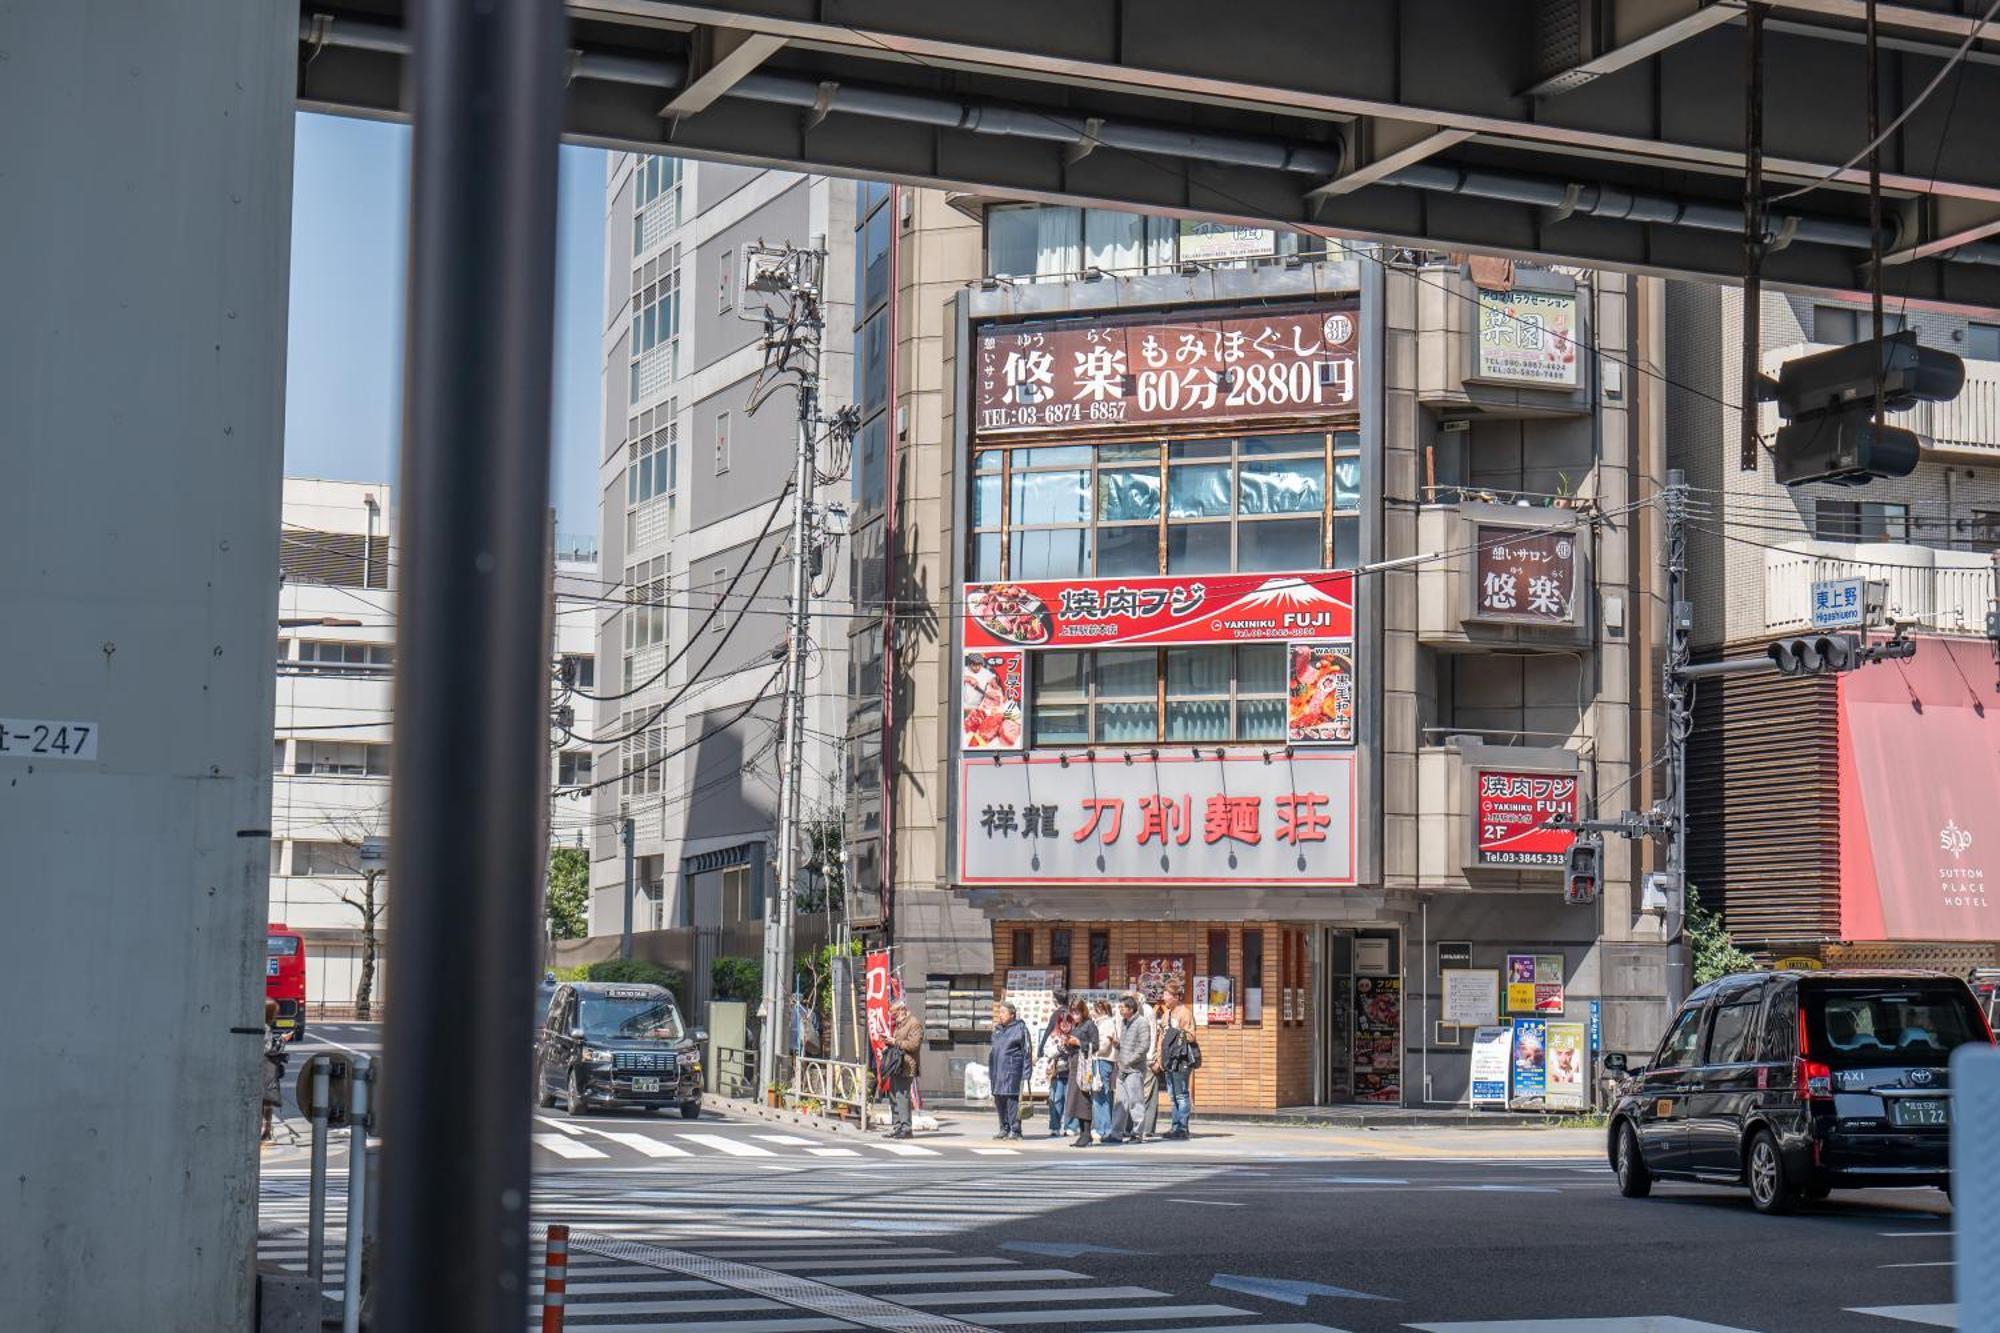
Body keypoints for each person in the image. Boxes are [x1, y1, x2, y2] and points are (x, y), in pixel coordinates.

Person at [986, 1000, 1031, 1140]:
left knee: (1012, 1101)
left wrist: (1027, 1072)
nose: (1000, 1015)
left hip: (1012, 1071)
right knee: (999, 1100)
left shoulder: (1020, 1028)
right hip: (997, 1071)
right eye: (999, 1012)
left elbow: (1027, 1051)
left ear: (1012, 1014)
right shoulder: (997, 1030)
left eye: (1003, 1012)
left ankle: (1015, 1130)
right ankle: (1004, 1128)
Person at [1113, 994, 1154, 1145]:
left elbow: (1144, 1046)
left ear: (1131, 1009)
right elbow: (1125, 1045)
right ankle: (1116, 1133)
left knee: (1135, 1102)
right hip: (1122, 1068)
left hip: (1134, 1069)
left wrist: (1129, 1060)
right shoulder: (1125, 1022)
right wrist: (1117, 1045)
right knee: (1120, 1102)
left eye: (1122, 1008)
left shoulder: (1141, 1023)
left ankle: (1137, 1133)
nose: (1120, 1010)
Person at [1159, 984, 1197, 1140]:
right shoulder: (1166, 1014)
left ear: (1176, 996)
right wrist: (1159, 1056)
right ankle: (1174, 1126)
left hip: (1180, 1058)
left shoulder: (1185, 1013)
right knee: (1172, 1095)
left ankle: (1182, 1127)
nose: (1164, 998)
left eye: (1167, 994)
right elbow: (1161, 1035)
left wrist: (1175, 1032)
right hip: (1168, 1057)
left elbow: (1191, 1036)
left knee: (1181, 1094)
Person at [1061, 997, 1099, 1147]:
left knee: (1084, 1099)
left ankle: (1087, 1133)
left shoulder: (1090, 1025)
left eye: (1077, 1012)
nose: (1075, 1016)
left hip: (1085, 1066)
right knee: (1075, 1099)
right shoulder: (1076, 1027)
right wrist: (1067, 1043)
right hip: (1075, 1064)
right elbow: (1072, 1047)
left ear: (1083, 1011)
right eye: (1073, 1013)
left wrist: (1079, 1043)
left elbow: (1095, 1045)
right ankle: (1082, 1132)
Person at [1037, 998, 1075, 1137]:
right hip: (1057, 1071)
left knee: (1070, 1099)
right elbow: (1048, 1051)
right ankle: (1055, 1126)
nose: (1065, 1025)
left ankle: (1070, 1126)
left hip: (1072, 1071)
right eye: (1062, 1023)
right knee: (1056, 1099)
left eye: (1068, 1022)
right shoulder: (1054, 1035)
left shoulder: (1075, 1035)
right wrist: (1061, 1048)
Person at [886, 999, 923, 1139]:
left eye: (894, 1014)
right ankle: (897, 1127)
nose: (893, 1017)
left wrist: (896, 1042)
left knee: (902, 1096)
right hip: (897, 1064)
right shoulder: (900, 1024)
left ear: (902, 1010)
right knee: (893, 1096)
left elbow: (914, 1045)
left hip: (907, 1065)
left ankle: (906, 1128)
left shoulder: (914, 1023)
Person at [1089, 998, 1118, 1144]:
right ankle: (1101, 1127)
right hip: (1098, 1060)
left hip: (1102, 1060)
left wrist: (1091, 1050)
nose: (1092, 1012)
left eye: (1094, 1009)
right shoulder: (1100, 1023)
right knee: (1099, 1095)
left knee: (1101, 1095)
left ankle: (1104, 1129)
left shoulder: (1107, 1023)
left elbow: (1105, 1044)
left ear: (1100, 1010)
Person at [1138, 992, 1166, 1141]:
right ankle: (1145, 1128)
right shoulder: (1145, 1011)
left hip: (1147, 1058)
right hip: (1143, 1058)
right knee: (1145, 1094)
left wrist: (1152, 1057)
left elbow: (1153, 1034)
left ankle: (1146, 1128)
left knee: (1147, 1095)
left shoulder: (1146, 1011)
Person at [259, 998, 287, 1143]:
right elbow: (268, 1049)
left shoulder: (259, 1026)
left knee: (263, 1100)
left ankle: (265, 1130)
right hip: (266, 1068)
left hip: (261, 1067)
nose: (275, 1016)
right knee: (267, 1100)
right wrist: (282, 1041)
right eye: (274, 1013)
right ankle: (266, 1130)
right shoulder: (266, 1028)